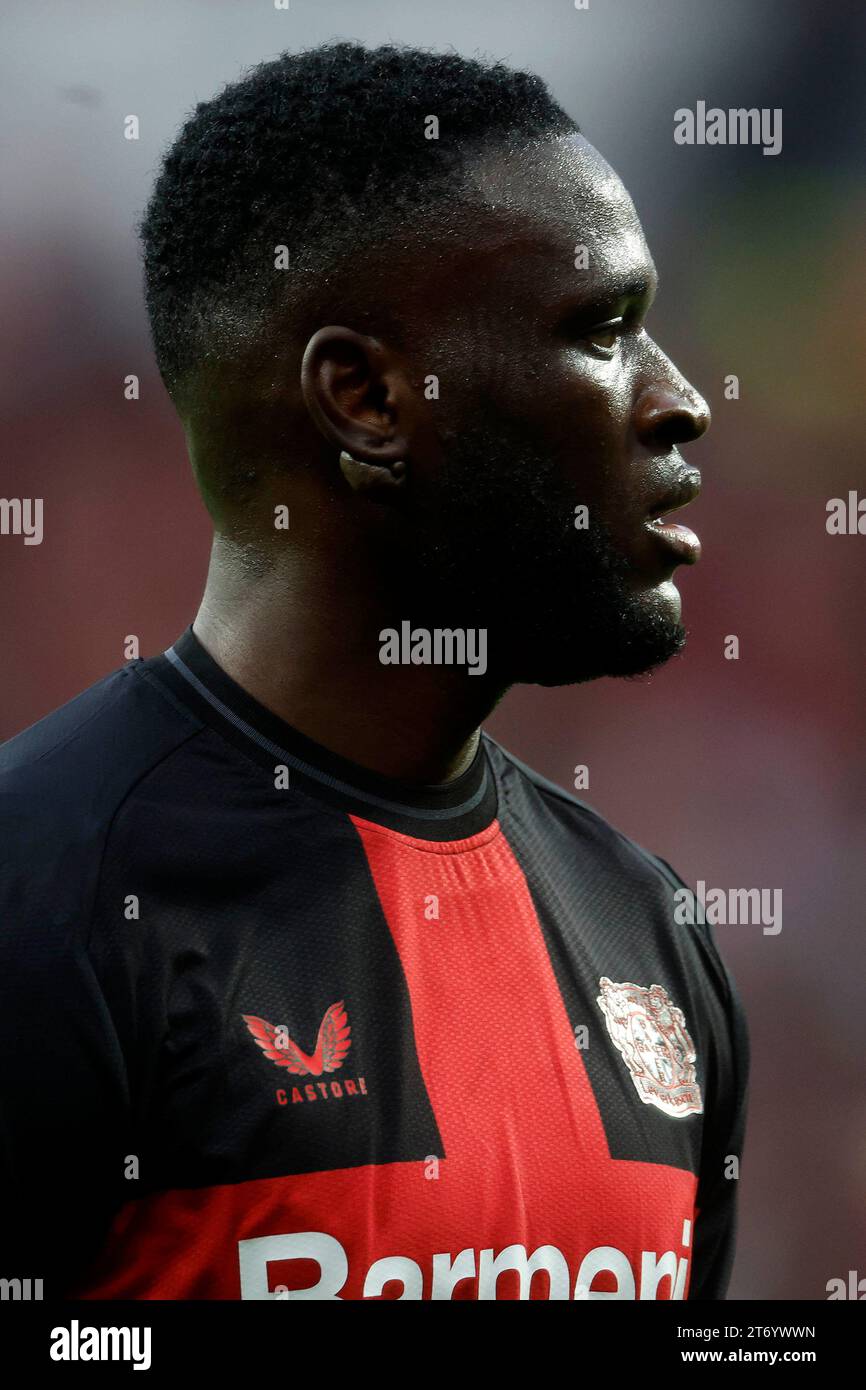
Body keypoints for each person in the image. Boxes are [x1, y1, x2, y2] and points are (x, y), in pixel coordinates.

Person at [0, 41, 748, 1300]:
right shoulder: (47, 908)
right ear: (364, 399)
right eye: (602, 330)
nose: (679, 401)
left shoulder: (646, 934)